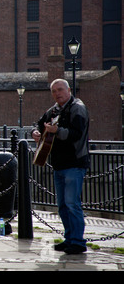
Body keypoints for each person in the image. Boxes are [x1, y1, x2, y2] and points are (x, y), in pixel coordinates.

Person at [31, 78, 90, 255]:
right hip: (59, 164)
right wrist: (35, 132)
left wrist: (57, 131)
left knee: (72, 204)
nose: (57, 93)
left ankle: (78, 242)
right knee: (63, 205)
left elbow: (77, 134)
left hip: (74, 163)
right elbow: (39, 124)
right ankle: (69, 239)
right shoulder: (54, 110)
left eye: (60, 90)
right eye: (54, 91)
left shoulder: (77, 108)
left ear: (69, 90)